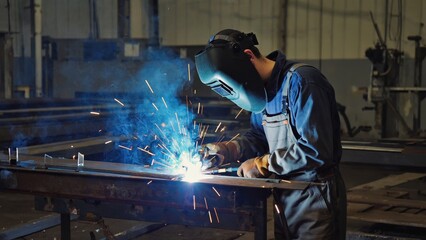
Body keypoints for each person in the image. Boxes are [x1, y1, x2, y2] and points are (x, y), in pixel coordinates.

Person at [195, 29, 346, 239]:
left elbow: (315, 150)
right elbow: (259, 136)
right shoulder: (263, 93)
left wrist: (262, 164)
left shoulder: (303, 82)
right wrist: (229, 149)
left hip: (315, 196)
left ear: (248, 56)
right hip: (283, 195)